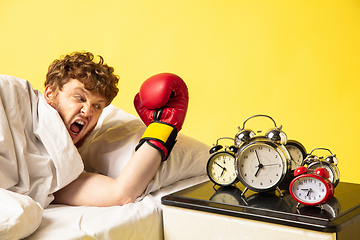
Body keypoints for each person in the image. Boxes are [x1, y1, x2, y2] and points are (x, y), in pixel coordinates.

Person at [0, 51, 188, 207]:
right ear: (49, 93)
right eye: (79, 98)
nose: (88, 110)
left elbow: (120, 194)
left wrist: (162, 127)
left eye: (98, 106)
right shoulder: (15, 97)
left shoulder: (64, 170)